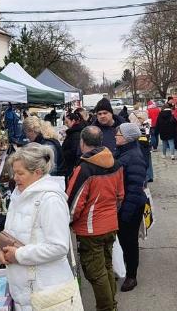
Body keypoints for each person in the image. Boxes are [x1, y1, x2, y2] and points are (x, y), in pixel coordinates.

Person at [0, 143, 75, 311]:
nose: (15, 177)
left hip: (47, 291)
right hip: (24, 289)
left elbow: (59, 246)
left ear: (37, 173)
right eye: (14, 172)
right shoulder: (18, 196)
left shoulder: (50, 200)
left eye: (20, 173)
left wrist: (19, 254)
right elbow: (9, 234)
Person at [66, 126, 125, 311]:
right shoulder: (114, 163)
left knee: (96, 273)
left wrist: (68, 221)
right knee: (107, 267)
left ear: (82, 143)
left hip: (91, 228)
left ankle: (107, 308)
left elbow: (74, 204)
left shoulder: (85, 168)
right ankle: (111, 305)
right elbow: (120, 195)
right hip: (110, 224)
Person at [113, 123, 148, 292]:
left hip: (131, 207)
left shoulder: (133, 157)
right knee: (123, 241)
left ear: (126, 138)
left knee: (130, 242)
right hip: (124, 206)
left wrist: (125, 213)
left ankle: (132, 276)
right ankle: (124, 267)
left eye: (118, 135)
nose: (115, 137)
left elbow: (134, 188)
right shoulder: (125, 152)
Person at [61, 110, 88, 180]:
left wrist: (63, 153)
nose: (66, 124)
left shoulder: (75, 134)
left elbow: (74, 150)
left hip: (71, 165)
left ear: (73, 121)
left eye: (67, 122)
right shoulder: (74, 132)